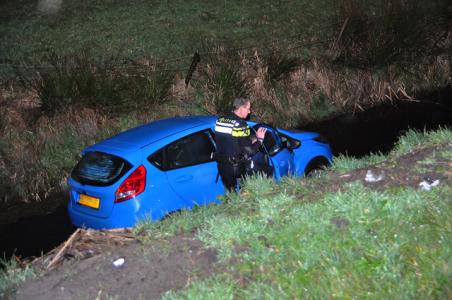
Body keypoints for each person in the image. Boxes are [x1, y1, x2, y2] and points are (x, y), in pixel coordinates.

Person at [214, 97, 268, 192]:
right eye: (248, 108)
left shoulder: (220, 120)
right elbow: (250, 151)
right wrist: (260, 139)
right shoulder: (241, 125)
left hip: (222, 166)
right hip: (236, 169)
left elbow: (233, 140)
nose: (249, 111)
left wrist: (253, 137)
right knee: (245, 193)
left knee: (231, 194)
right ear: (242, 108)